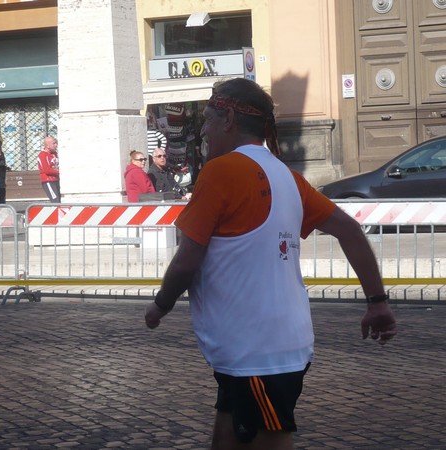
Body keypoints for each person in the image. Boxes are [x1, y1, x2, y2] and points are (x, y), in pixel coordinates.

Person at [144, 78, 397, 450]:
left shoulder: (221, 172)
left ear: (228, 118)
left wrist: (161, 304)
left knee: (268, 441)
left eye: (209, 123)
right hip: (267, 348)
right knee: (226, 439)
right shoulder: (288, 177)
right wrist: (377, 302)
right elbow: (349, 231)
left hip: (255, 353)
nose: (206, 134)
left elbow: (188, 258)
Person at [38, 136, 60, 202]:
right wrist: (59, 171)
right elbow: (46, 170)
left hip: (56, 179)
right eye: (54, 143)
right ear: (47, 146)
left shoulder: (54, 154)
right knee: (55, 200)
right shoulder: (43, 155)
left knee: (60, 200)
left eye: (56, 143)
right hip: (48, 181)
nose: (56, 145)